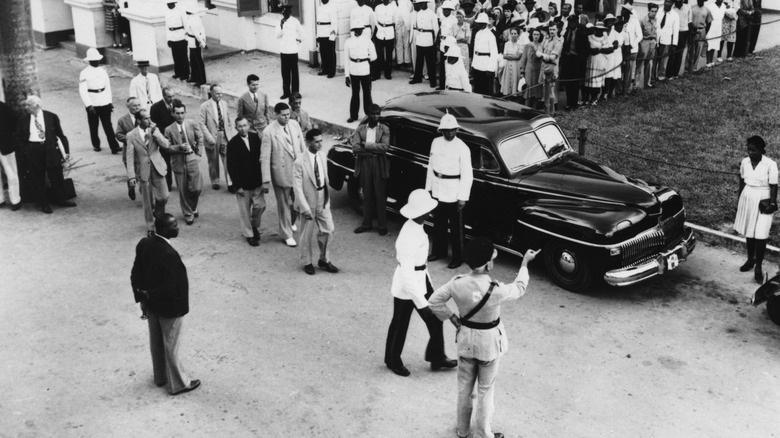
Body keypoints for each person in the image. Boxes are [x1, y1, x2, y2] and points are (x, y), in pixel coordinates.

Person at [428, 237, 540, 438]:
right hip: (489, 344)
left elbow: (434, 301)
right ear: (488, 263)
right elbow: (520, 287)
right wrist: (524, 263)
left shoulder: (457, 284)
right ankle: (483, 433)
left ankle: (463, 431)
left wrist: (453, 317)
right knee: (486, 391)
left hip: (466, 342)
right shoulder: (496, 289)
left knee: (464, 389)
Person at [384, 189, 457, 377]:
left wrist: (428, 285)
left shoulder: (416, 226)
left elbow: (420, 267)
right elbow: (408, 274)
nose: (430, 212)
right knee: (400, 324)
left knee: (435, 318)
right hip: (407, 287)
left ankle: (437, 356)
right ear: (421, 212)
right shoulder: (409, 236)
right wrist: (422, 303)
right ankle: (392, 360)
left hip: (421, 280)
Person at [131, 213, 201, 396]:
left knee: (156, 342)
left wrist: (143, 298)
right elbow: (171, 286)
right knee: (171, 344)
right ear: (164, 230)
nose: (177, 228)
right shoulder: (169, 254)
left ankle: (160, 377)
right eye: (174, 226)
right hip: (169, 307)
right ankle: (179, 383)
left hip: (152, 304)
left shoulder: (144, 243)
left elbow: (135, 273)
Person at [425, 114, 473, 269]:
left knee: (456, 227)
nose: (450, 133)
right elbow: (431, 167)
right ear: (442, 131)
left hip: (454, 191)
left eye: (453, 130)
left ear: (456, 130)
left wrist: (462, 197)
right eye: (447, 130)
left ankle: (458, 257)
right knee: (438, 223)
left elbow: (467, 175)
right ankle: (439, 251)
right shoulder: (435, 143)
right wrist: (429, 189)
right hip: (438, 188)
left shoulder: (462, 147)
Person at [16, 96, 74, 214]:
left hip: (50, 149)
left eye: (28, 105)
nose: (26, 107)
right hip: (33, 150)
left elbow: (60, 135)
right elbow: (19, 138)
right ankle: (43, 203)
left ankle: (61, 200)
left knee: (56, 175)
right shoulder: (24, 120)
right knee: (37, 178)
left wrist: (66, 152)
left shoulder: (51, 117)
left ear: (36, 106)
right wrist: (25, 150)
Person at [293, 128, 339, 275]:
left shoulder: (322, 156)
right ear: (308, 143)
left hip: (322, 198)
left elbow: (325, 179)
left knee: (329, 229)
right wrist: (304, 207)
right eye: (317, 141)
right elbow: (297, 188)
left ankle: (324, 259)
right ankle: (307, 262)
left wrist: (326, 198)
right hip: (308, 201)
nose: (320, 144)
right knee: (306, 234)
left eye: (321, 141)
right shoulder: (299, 162)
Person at [261, 102, 305, 247]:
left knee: (297, 202)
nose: (287, 117)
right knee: (284, 204)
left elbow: (302, 146)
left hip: (297, 170)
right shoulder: (269, 132)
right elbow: (265, 157)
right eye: (283, 115)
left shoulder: (294, 124)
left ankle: (290, 221)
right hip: (281, 172)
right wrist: (266, 179)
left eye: (288, 114)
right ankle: (286, 234)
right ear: (276, 114)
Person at [734, 135, 777, 283]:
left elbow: (773, 185)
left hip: (763, 200)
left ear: (762, 150)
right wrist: (740, 200)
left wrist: (772, 203)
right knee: (750, 232)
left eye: (754, 150)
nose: (750, 153)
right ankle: (750, 259)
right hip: (748, 197)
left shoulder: (770, 164)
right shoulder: (745, 162)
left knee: (761, 234)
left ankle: (758, 266)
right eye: (749, 150)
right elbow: (742, 181)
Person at [127, 108, 170, 235]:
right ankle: (151, 227)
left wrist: (156, 132)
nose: (150, 120)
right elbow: (129, 157)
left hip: (158, 168)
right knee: (147, 202)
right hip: (143, 172)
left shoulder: (154, 130)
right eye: (146, 118)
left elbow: (166, 145)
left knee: (163, 197)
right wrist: (131, 176)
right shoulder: (131, 135)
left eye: (150, 117)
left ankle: (159, 215)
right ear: (139, 120)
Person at [349, 104, 390, 235]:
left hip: (379, 164)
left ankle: (382, 226)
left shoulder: (384, 129)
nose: (376, 116)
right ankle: (366, 224)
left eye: (378, 114)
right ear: (368, 114)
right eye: (373, 114)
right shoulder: (360, 129)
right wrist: (372, 150)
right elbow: (355, 147)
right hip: (365, 163)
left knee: (380, 194)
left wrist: (365, 145)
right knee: (366, 194)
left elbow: (384, 147)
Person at [226, 117, 267, 247]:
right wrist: (237, 186)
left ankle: (254, 226)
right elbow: (231, 166)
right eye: (240, 126)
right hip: (242, 184)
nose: (243, 128)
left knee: (260, 206)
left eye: (245, 125)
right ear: (236, 127)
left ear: (248, 125)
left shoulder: (255, 138)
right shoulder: (232, 144)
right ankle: (249, 235)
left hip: (257, 181)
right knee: (245, 211)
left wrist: (265, 179)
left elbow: (262, 158)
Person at [163, 100, 203, 226]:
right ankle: (188, 214)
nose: (180, 116)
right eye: (177, 113)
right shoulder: (168, 129)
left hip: (192, 158)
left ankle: (192, 206)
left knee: (196, 188)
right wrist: (179, 147)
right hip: (178, 161)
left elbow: (199, 137)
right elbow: (166, 147)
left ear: (185, 113)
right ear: (173, 114)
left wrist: (198, 153)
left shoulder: (191, 123)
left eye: (182, 113)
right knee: (183, 189)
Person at [79, 48, 120, 154]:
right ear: (89, 61)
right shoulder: (84, 73)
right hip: (92, 102)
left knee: (108, 125)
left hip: (104, 101)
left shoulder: (103, 71)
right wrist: (89, 105)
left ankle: (114, 146)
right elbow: (83, 91)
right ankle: (96, 145)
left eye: (97, 60)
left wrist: (109, 102)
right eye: (93, 60)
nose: (96, 62)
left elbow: (108, 87)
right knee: (93, 125)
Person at [199, 84, 233, 192]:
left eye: (221, 93)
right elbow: (201, 123)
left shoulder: (224, 104)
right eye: (217, 93)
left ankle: (231, 183)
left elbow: (228, 121)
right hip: (212, 136)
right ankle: (215, 181)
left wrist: (230, 136)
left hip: (224, 135)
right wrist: (209, 137)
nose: (220, 95)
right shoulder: (205, 106)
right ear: (211, 93)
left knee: (228, 159)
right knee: (213, 161)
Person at [344, 17, 378, 123]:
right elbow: (346, 59)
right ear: (353, 30)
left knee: (367, 93)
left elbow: (374, 56)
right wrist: (346, 75)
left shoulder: (367, 41)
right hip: (354, 69)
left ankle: (368, 116)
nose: (358, 31)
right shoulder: (348, 42)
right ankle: (353, 115)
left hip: (364, 69)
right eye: (356, 29)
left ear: (363, 30)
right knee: (355, 93)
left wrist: (368, 61)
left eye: (360, 29)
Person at [150, 87, 177, 191]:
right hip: (164, 139)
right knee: (166, 161)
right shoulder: (155, 107)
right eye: (169, 96)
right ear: (163, 96)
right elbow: (155, 126)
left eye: (173, 96)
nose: (171, 99)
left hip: (176, 136)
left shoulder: (176, 103)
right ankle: (168, 183)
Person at [116, 96, 142, 200]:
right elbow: (118, 134)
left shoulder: (143, 117)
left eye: (139, 105)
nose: (137, 107)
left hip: (141, 152)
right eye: (134, 106)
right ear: (128, 106)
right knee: (132, 173)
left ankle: (144, 193)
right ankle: (131, 185)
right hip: (129, 153)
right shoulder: (122, 120)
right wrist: (130, 139)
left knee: (142, 174)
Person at [409, 0, 439, 88]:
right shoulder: (418, 13)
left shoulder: (432, 14)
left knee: (430, 62)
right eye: (419, 4)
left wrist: (434, 41)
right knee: (419, 60)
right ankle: (417, 78)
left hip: (428, 39)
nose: (421, 5)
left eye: (422, 3)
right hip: (420, 38)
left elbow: (436, 29)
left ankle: (432, 81)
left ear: (426, 3)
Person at [277, 5, 303, 100]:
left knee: (294, 73)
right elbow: (277, 35)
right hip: (284, 51)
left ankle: (295, 92)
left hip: (292, 51)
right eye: (283, 13)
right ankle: (286, 92)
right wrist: (281, 26)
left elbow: (302, 34)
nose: (284, 14)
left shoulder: (295, 22)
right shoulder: (280, 22)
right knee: (285, 72)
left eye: (286, 13)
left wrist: (296, 42)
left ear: (290, 13)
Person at [538, 20, 563, 114]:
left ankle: (552, 111)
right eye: (550, 29)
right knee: (545, 89)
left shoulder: (559, 41)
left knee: (551, 90)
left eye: (553, 29)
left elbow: (553, 57)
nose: (552, 31)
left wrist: (543, 55)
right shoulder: (546, 39)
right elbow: (538, 52)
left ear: (557, 30)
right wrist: (542, 55)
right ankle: (547, 110)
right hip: (544, 66)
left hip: (552, 67)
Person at [471, 12, 499, 95]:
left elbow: (494, 53)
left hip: (486, 65)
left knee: (485, 90)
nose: (480, 25)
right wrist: (473, 64)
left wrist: (490, 68)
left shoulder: (491, 35)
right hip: (477, 63)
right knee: (477, 88)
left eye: (482, 23)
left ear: (486, 23)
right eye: (479, 23)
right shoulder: (477, 33)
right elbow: (475, 51)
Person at [0, 99, 20, 211]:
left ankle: (10, 200)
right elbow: (13, 122)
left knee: (11, 173)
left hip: (5, 144)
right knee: (11, 172)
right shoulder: (3, 107)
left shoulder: (3, 107)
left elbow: (14, 122)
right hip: (5, 143)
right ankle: (13, 200)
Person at [655, 0, 680, 81]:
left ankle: (661, 77)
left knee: (663, 61)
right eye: (666, 1)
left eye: (669, 2)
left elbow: (676, 31)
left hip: (667, 41)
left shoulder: (675, 15)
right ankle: (652, 78)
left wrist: (674, 44)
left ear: (672, 3)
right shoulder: (658, 11)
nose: (667, 4)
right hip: (656, 39)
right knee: (654, 59)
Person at [165, 1, 190, 81]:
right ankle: (178, 73)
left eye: (170, 4)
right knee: (176, 56)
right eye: (167, 4)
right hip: (172, 37)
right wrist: (168, 39)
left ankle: (185, 74)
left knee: (183, 56)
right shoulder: (167, 12)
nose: (168, 5)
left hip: (181, 36)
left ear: (174, 3)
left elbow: (186, 24)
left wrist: (186, 37)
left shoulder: (180, 11)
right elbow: (167, 27)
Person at [621, 4, 643, 93]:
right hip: (622, 49)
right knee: (621, 70)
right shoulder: (621, 21)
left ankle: (627, 89)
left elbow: (640, 36)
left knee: (629, 72)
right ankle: (619, 89)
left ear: (628, 12)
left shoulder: (634, 21)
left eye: (623, 10)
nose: (621, 11)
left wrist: (632, 45)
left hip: (631, 50)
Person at [666, 0, 691, 78]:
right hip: (673, 33)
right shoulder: (672, 8)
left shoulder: (688, 7)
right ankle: (668, 74)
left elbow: (690, 21)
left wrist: (690, 36)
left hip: (684, 33)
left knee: (679, 54)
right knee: (672, 53)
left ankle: (675, 73)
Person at [686, 0, 712, 74]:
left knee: (698, 49)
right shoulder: (691, 8)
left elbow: (709, 22)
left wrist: (705, 32)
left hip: (701, 30)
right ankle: (687, 67)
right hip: (692, 31)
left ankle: (694, 68)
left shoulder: (707, 10)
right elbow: (688, 20)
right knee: (690, 49)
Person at [374, 0, 397, 80]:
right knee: (378, 53)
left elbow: (395, 20)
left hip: (389, 32)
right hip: (380, 32)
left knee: (389, 54)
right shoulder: (378, 7)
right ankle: (377, 74)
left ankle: (388, 73)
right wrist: (379, 27)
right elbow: (375, 20)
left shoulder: (393, 8)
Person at [184, 4, 207, 86]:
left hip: (194, 41)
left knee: (197, 60)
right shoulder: (196, 18)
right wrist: (204, 40)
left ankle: (201, 79)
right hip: (192, 41)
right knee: (193, 60)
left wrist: (203, 42)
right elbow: (202, 30)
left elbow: (197, 34)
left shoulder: (191, 20)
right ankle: (195, 77)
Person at [521, 23, 543, 107]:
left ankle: (534, 109)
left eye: (537, 34)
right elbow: (523, 59)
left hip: (538, 69)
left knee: (536, 90)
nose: (536, 36)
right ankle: (527, 108)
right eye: (534, 34)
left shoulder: (541, 45)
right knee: (528, 89)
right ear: (532, 35)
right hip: (529, 70)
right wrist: (522, 71)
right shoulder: (527, 46)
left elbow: (540, 56)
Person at [637, 6, 658, 89]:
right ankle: (636, 85)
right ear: (648, 11)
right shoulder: (643, 20)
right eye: (652, 11)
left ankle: (647, 83)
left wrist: (655, 42)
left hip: (652, 42)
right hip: (644, 42)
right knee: (640, 64)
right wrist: (640, 46)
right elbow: (639, 34)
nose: (654, 13)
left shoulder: (656, 20)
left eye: (655, 11)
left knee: (649, 63)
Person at [316, 0, 338, 78]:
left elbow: (334, 23)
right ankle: (325, 69)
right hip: (321, 33)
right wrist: (317, 35)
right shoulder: (320, 8)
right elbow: (318, 23)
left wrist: (332, 36)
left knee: (330, 54)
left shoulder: (332, 7)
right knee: (323, 53)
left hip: (329, 33)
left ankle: (331, 72)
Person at [499, 27, 524, 97]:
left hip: (516, 66)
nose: (513, 35)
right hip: (508, 65)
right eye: (512, 33)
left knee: (515, 80)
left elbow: (518, 56)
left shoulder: (521, 44)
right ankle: (508, 95)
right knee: (507, 81)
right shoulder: (507, 44)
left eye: (515, 33)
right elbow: (504, 55)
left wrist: (508, 55)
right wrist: (513, 56)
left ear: (518, 35)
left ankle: (515, 96)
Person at [705, 0, 725, 67]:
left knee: (715, 43)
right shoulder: (710, 6)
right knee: (709, 43)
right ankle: (708, 62)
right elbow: (707, 18)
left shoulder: (723, 6)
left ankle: (711, 60)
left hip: (718, 27)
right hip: (711, 27)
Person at [395, 0, 414, 67]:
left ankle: (407, 61)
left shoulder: (408, 2)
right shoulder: (397, 1)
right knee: (399, 43)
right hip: (398, 24)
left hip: (406, 24)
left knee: (406, 43)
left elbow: (411, 10)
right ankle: (400, 61)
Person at [454, 10, 473, 74]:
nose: (458, 19)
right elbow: (452, 38)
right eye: (457, 17)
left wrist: (458, 40)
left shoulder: (466, 25)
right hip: (455, 47)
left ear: (463, 17)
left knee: (464, 63)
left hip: (464, 47)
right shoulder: (454, 25)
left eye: (460, 17)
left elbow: (466, 39)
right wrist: (459, 40)